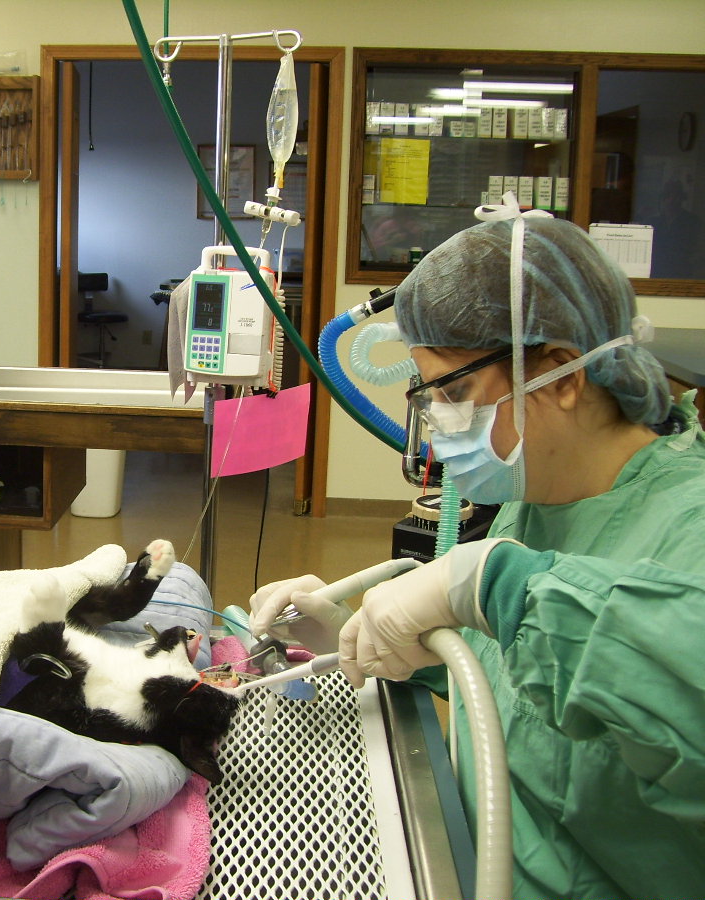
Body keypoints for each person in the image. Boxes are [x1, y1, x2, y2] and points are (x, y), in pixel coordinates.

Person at [250, 201, 705, 897]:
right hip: (472, 848)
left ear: (561, 372)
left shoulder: (685, 521)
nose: (439, 425)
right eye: (431, 397)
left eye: (457, 391)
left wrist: (500, 585)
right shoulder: (538, 490)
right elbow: (517, 682)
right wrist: (356, 636)